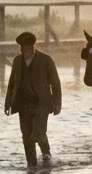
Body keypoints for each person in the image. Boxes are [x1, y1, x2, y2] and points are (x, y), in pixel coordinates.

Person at [4, 31, 61, 166]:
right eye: (23, 48)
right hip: (23, 105)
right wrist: (8, 103)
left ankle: (46, 156)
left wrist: (57, 104)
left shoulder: (46, 60)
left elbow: (56, 83)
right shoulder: (17, 61)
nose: (25, 51)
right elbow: (12, 83)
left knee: (38, 133)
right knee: (26, 136)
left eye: (28, 48)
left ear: (33, 47)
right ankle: (32, 164)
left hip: (42, 104)